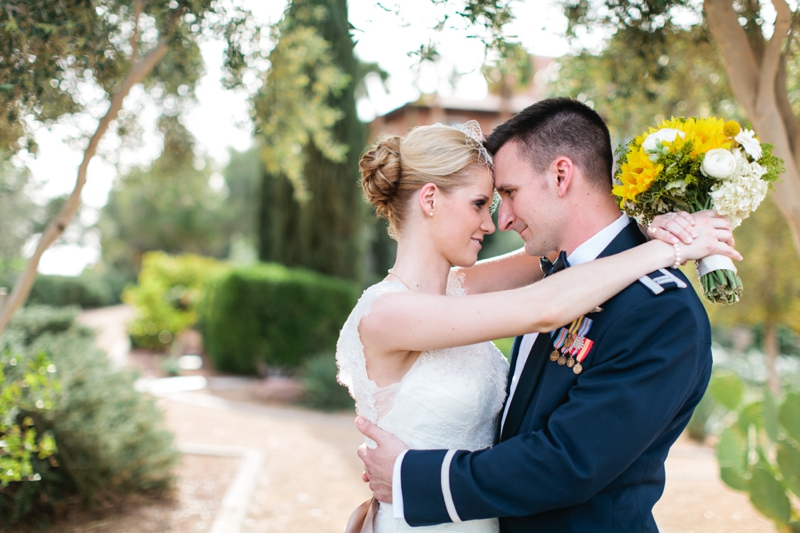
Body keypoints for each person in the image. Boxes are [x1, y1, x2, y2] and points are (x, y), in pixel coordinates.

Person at [341, 108, 739, 533]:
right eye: (482, 203)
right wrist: (672, 248)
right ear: (430, 199)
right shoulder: (393, 311)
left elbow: (570, 461)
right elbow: (545, 304)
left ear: (561, 176)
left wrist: (650, 228)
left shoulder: (658, 309)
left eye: (506, 194)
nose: (498, 221)